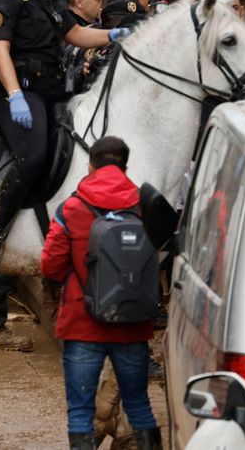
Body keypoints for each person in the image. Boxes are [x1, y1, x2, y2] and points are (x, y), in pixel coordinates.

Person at [0, 0, 129, 268]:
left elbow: (75, 35)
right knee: (32, 156)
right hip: (14, 93)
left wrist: (114, 35)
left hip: (50, 89)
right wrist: (14, 94)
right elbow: (0, 50)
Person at [40, 136, 161, 450]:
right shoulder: (146, 206)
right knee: (139, 406)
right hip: (132, 325)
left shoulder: (72, 207)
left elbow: (50, 266)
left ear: (90, 166)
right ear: (125, 168)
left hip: (82, 325)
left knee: (80, 412)